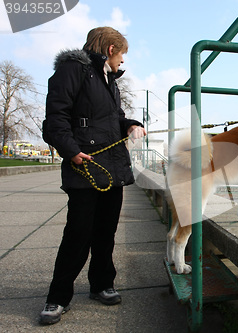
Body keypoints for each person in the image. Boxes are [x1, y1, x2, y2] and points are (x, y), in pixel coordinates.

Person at [40, 27, 146, 325]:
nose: (122, 61)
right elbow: (55, 118)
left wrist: (131, 125)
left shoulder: (108, 80)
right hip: (84, 166)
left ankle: (101, 284)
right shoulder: (71, 70)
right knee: (77, 235)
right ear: (112, 48)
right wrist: (71, 150)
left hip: (112, 167)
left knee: (106, 232)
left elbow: (111, 119)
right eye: (122, 53)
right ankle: (58, 297)